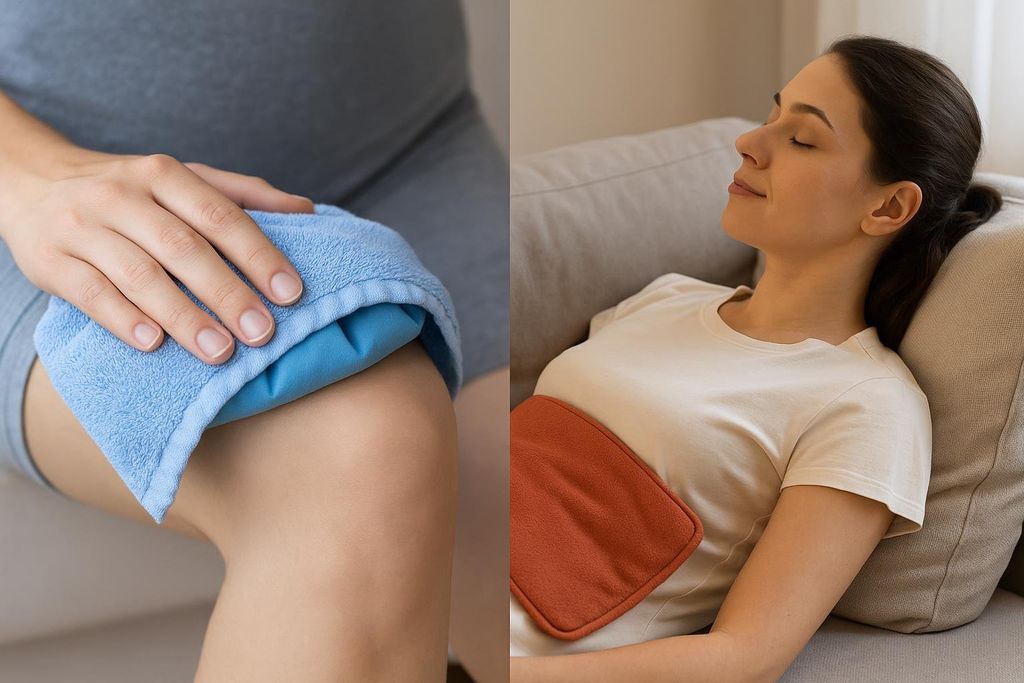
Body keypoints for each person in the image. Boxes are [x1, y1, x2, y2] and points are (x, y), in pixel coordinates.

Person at [0, 2, 508, 681]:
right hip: (53, 204)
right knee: (352, 446)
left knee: (565, 482)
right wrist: (29, 174)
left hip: (408, 153)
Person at [509, 35, 1001, 681]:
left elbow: (745, 656)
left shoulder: (866, 406)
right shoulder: (665, 299)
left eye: (801, 139)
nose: (748, 143)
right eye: (772, 115)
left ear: (888, 206)